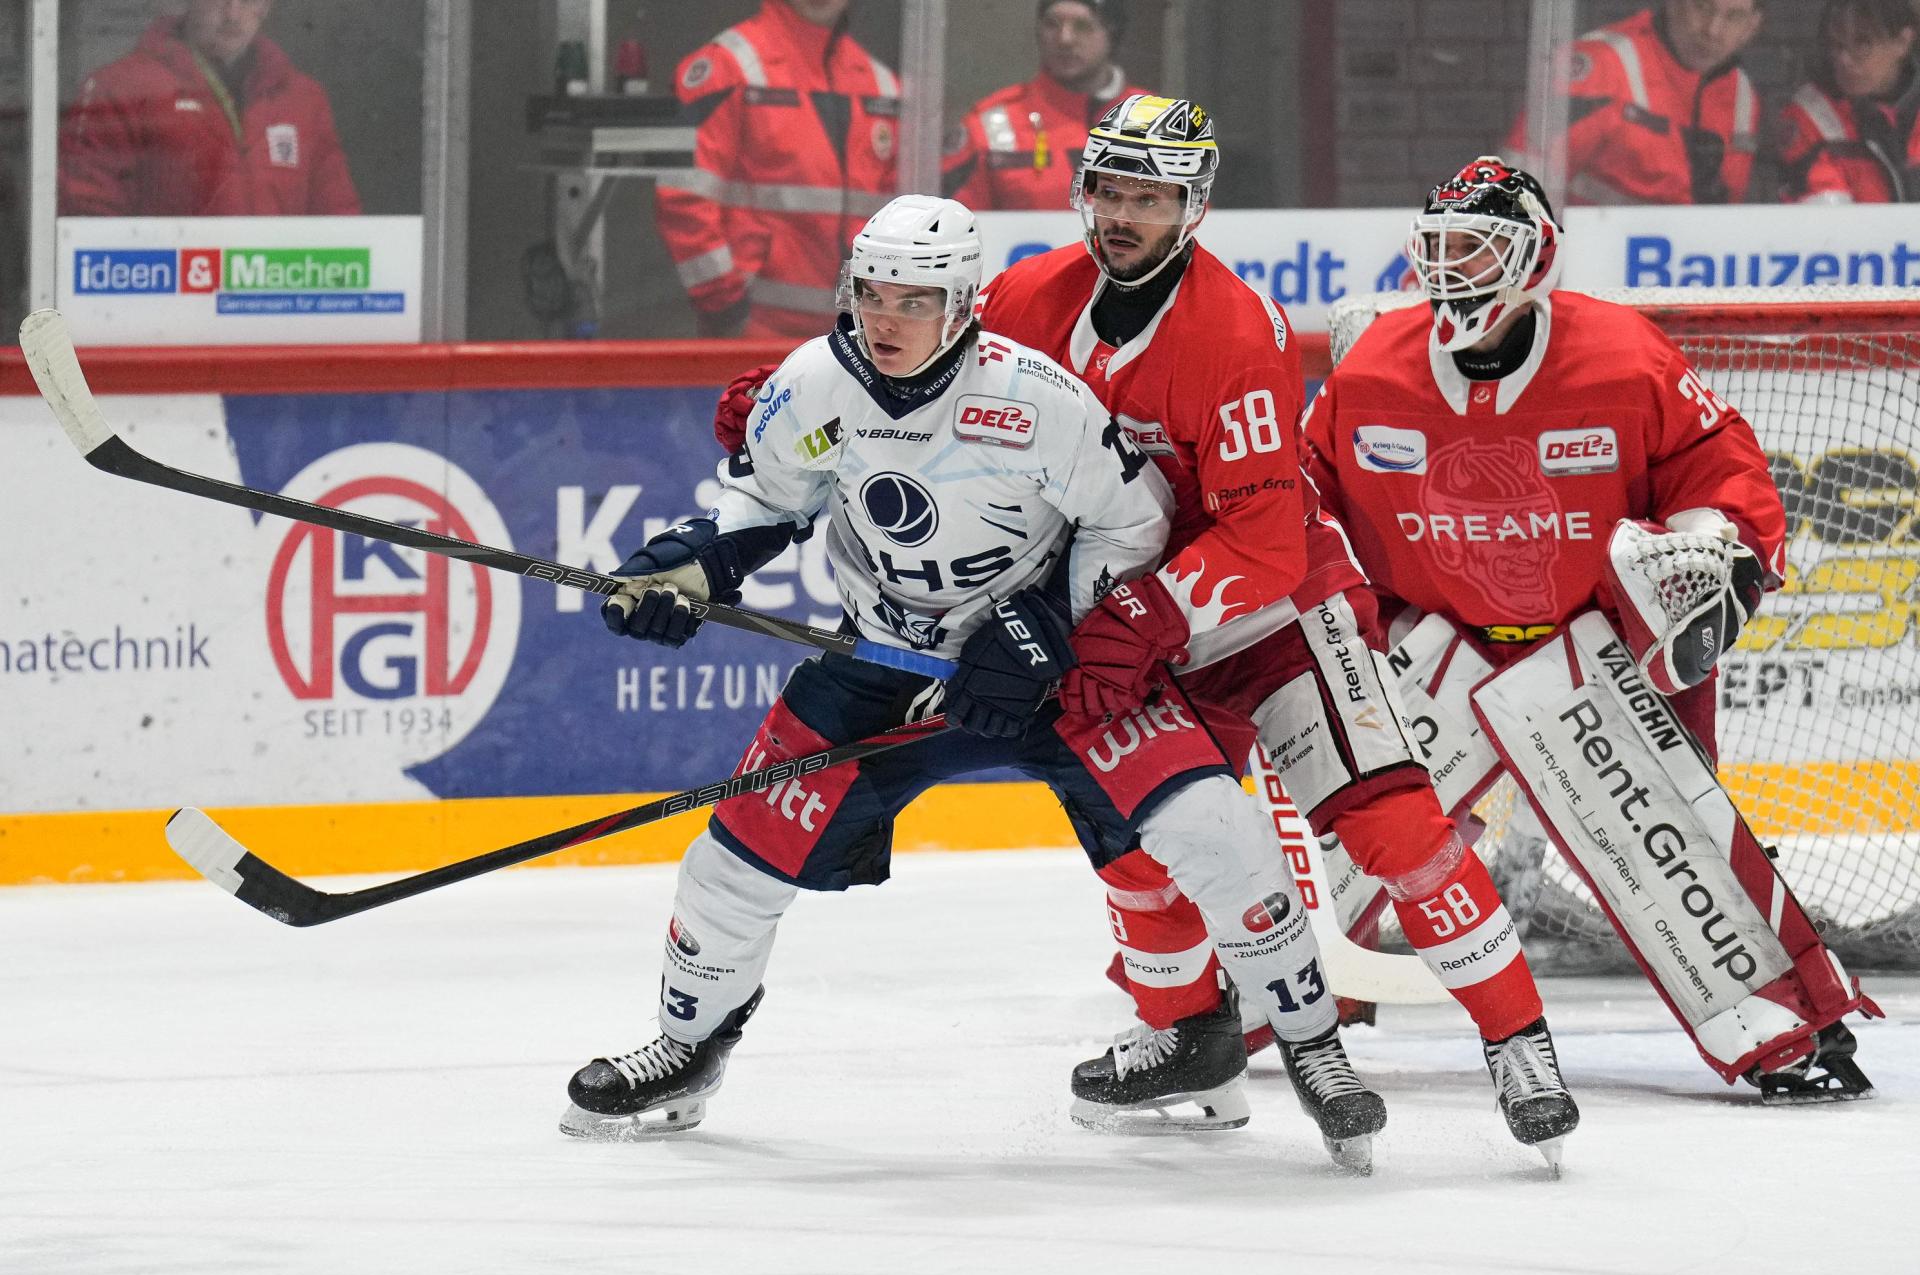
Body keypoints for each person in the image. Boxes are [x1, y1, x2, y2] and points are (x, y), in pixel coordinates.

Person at [719, 98, 1580, 1171]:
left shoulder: (1236, 329)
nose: (1123, 214)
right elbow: (919, 386)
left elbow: (1266, 534)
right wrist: (797, 408)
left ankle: (1518, 1041)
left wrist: (1136, 617)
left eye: (1151, 196)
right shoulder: (1033, 294)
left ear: (1194, 205)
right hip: (1133, 613)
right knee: (1141, 829)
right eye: (1111, 191)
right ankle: (1188, 1037)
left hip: (1276, 617)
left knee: (1391, 826)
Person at [564, 193, 1388, 1172]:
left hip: (1052, 672)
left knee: (1216, 830)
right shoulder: (816, 384)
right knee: (731, 862)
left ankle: (1294, 1047)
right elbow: (764, 499)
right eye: (871, 294)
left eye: (914, 300)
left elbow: (1132, 523)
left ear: (963, 305)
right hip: (881, 666)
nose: (886, 319)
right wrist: (687, 569)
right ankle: (687, 1047)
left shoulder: (1039, 399)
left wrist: (1052, 625)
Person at [1301, 155, 1879, 1101]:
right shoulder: (1371, 369)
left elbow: (1719, 476)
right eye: (1440, 249)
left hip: (1592, 652)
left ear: (1535, 260)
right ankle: (1275, 998)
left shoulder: (1623, 357)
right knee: (1349, 824)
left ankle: (1792, 1035)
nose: (1455, 272)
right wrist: (1340, 617)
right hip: (1438, 641)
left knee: (1669, 849)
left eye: (1479, 249)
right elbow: (1305, 502)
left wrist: (1710, 551)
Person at [656, 0, 899, 338]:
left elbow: (898, 221)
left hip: (854, 343)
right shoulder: (729, 66)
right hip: (751, 337)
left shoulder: (882, 86)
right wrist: (725, 308)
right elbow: (683, 197)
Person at [59, 0, 360, 217]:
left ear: (266, 6)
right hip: (168, 296)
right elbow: (85, 219)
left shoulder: (302, 99)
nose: (232, 14)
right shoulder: (120, 88)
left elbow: (340, 219)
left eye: (247, 1)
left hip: (274, 297)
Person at [1506, 0, 1765, 205]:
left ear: (1751, 27)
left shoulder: (1741, 95)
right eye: (1701, 7)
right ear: (1674, 4)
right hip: (1585, 262)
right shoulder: (1602, 64)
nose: (1712, 30)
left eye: (1734, 17)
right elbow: (1516, 187)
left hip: (1685, 267)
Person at [941, 0, 1143, 211]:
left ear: (1112, 32)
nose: (1065, 39)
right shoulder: (991, 123)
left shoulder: (1155, 120)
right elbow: (951, 226)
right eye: (1052, 24)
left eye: (1083, 26)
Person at [1776, 0, 1920, 202]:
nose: (1844, 59)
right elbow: (1828, 224)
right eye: (1837, 45)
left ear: (1902, 42)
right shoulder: (1811, 114)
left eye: (1862, 44)